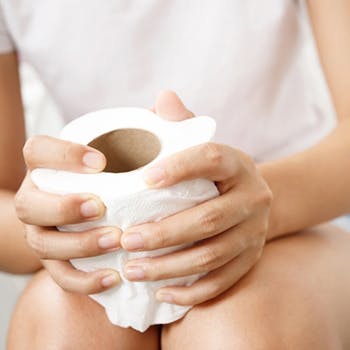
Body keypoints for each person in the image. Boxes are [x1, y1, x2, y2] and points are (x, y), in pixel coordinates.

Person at [1, 1, 350, 349]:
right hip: (112, 228)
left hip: (306, 208)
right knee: (61, 328)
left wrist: (257, 205)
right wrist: (58, 226)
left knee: (240, 330)